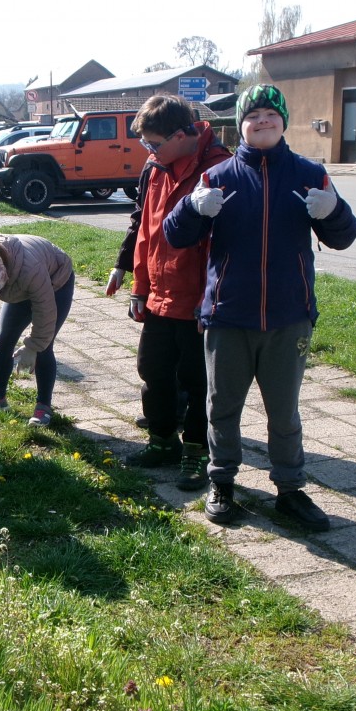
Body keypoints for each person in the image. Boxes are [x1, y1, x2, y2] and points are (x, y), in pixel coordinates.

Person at [163, 84, 356, 531]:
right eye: (252, 116)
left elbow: (343, 237)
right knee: (222, 407)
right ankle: (222, 482)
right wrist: (192, 207)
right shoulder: (218, 177)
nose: (262, 121)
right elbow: (175, 235)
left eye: (271, 113)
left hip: (289, 318)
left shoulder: (310, 174)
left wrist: (334, 210)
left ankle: (290, 490)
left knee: (284, 412)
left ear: (283, 121)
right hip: (228, 316)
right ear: (241, 126)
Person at [106, 95, 231, 491]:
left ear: (181, 135)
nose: (149, 149)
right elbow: (146, 229)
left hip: (198, 301)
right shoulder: (155, 167)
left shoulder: (220, 169)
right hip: (159, 294)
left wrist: (211, 301)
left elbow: (225, 245)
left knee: (198, 381)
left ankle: (196, 451)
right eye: (146, 143)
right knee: (153, 371)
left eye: (154, 142)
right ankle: (161, 440)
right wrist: (137, 284)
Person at [0, 233, 75, 427]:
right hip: (19, 280)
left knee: (44, 346)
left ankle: (43, 407)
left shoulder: (30, 270)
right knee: (4, 338)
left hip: (55, 280)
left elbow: (45, 312)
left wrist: (32, 346)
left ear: (2, 278)